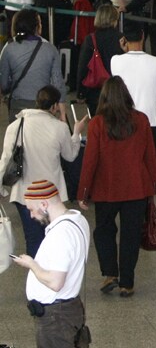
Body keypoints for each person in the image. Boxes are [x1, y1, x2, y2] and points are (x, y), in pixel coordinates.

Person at [78, 76, 156, 298]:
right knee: (131, 234)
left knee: (103, 230)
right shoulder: (141, 121)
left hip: (106, 189)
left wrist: (83, 191)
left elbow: (90, 161)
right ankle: (127, 283)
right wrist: (152, 188)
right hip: (136, 188)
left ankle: (110, 273)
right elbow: (149, 157)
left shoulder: (97, 124)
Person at [0, 86, 86, 257]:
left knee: (33, 241)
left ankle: (35, 277)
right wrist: (76, 133)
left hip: (24, 195)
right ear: (54, 106)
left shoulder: (16, 126)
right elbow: (70, 157)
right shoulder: (60, 128)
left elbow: (5, 160)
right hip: (52, 195)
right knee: (53, 239)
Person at [11, 179, 91, 347]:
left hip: (56, 318)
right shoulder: (78, 220)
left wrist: (31, 264)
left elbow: (55, 282)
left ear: (44, 204)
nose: (31, 215)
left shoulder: (60, 234)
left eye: (32, 210)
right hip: (69, 309)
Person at [110, 20, 156, 152]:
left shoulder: (115, 61)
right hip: (150, 122)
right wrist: (149, 97)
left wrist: (124, 51)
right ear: (143, 36)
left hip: (125, 122)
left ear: (124, 39)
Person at [0, 9, 67, 123]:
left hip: (18, 106)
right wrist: (63, 114)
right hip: (44, 106)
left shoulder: (9, 49)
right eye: (39, 23)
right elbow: (58, 84)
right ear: (35, 27)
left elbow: (4, 84)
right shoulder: (50, 49)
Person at [76, 4, 124, 116]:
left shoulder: (90, 39)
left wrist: (81, 93)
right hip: (116, 89)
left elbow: (82, 67)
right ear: (114, 20)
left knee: (97, 123)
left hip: (95, 91)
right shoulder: (121, 38)